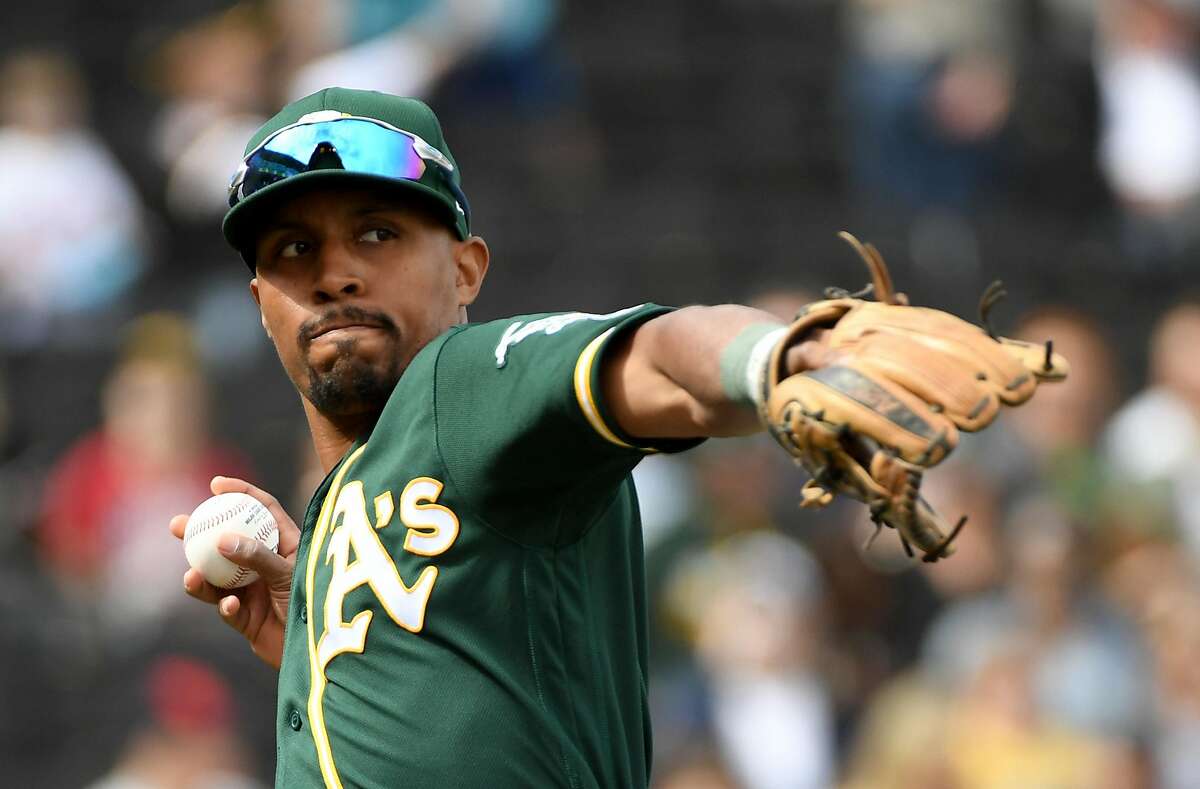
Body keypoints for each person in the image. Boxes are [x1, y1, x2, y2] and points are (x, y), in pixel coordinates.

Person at [168, 87, 1060, 787]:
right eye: (291, 249)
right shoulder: (340, 517)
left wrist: (772, 361)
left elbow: (655, 354)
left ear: (467, 268)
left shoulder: (461, 384)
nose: (333, 272)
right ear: (260, 304)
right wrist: (325, 632)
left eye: (377, 231)